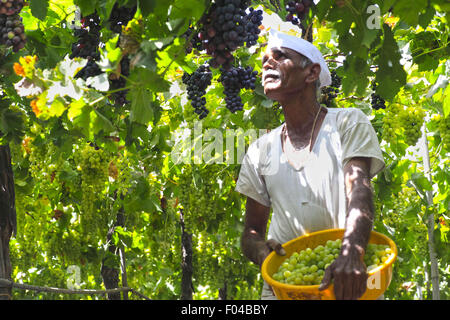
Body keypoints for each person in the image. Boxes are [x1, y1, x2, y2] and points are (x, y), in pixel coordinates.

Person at [235, 28, 385, 300]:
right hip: (286, 287)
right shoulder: (260, 150)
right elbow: (251, 231)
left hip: (345, 280)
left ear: (311, 73)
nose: (267, 64)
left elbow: (359, 190)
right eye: (264, 61)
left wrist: (352, 253)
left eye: (279, 56)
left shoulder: (347, 122)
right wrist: (259, 251)